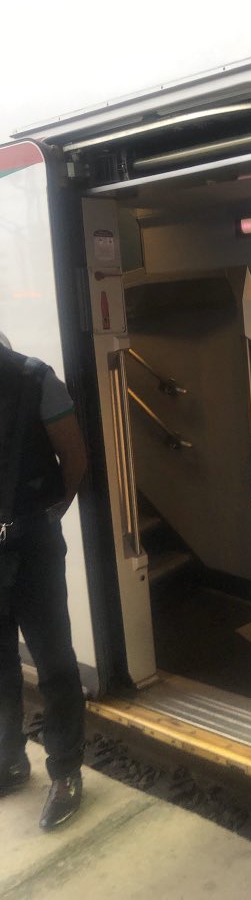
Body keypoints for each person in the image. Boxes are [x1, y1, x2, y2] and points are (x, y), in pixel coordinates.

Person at [0, 331, 88, 829]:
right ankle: (10, 759)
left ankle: (66, 771)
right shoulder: (35, 378)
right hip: (22, 537)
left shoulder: (36, 379)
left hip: (32, 545)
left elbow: (74, 460)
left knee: (53, 663)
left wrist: (47, 515)